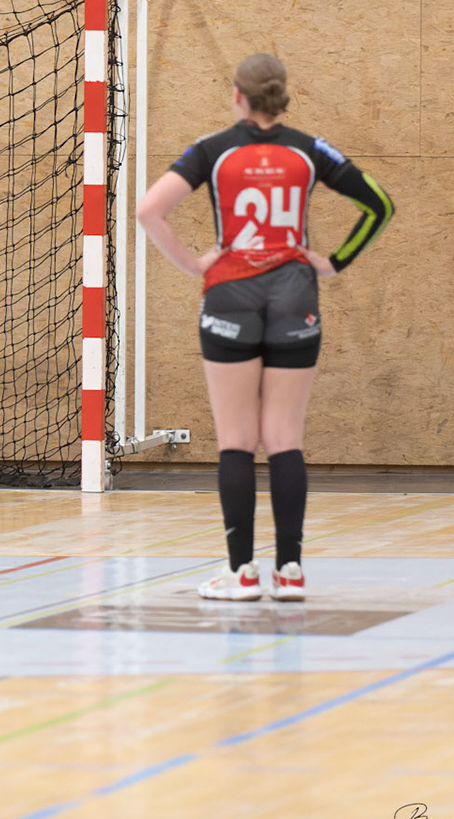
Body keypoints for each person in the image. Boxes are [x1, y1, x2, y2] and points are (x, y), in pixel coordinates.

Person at [136, 55, 393, 602]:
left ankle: (241, 574)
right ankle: (292, 572)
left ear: (237, 97)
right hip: (295, 293)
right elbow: (379, 205)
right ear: (282, 96)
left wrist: (192, 264)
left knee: (236, 440)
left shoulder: (212, 148)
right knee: (283, 440)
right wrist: (335, 261)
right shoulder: (310, 147)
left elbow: (148, 211)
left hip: (230, 292)